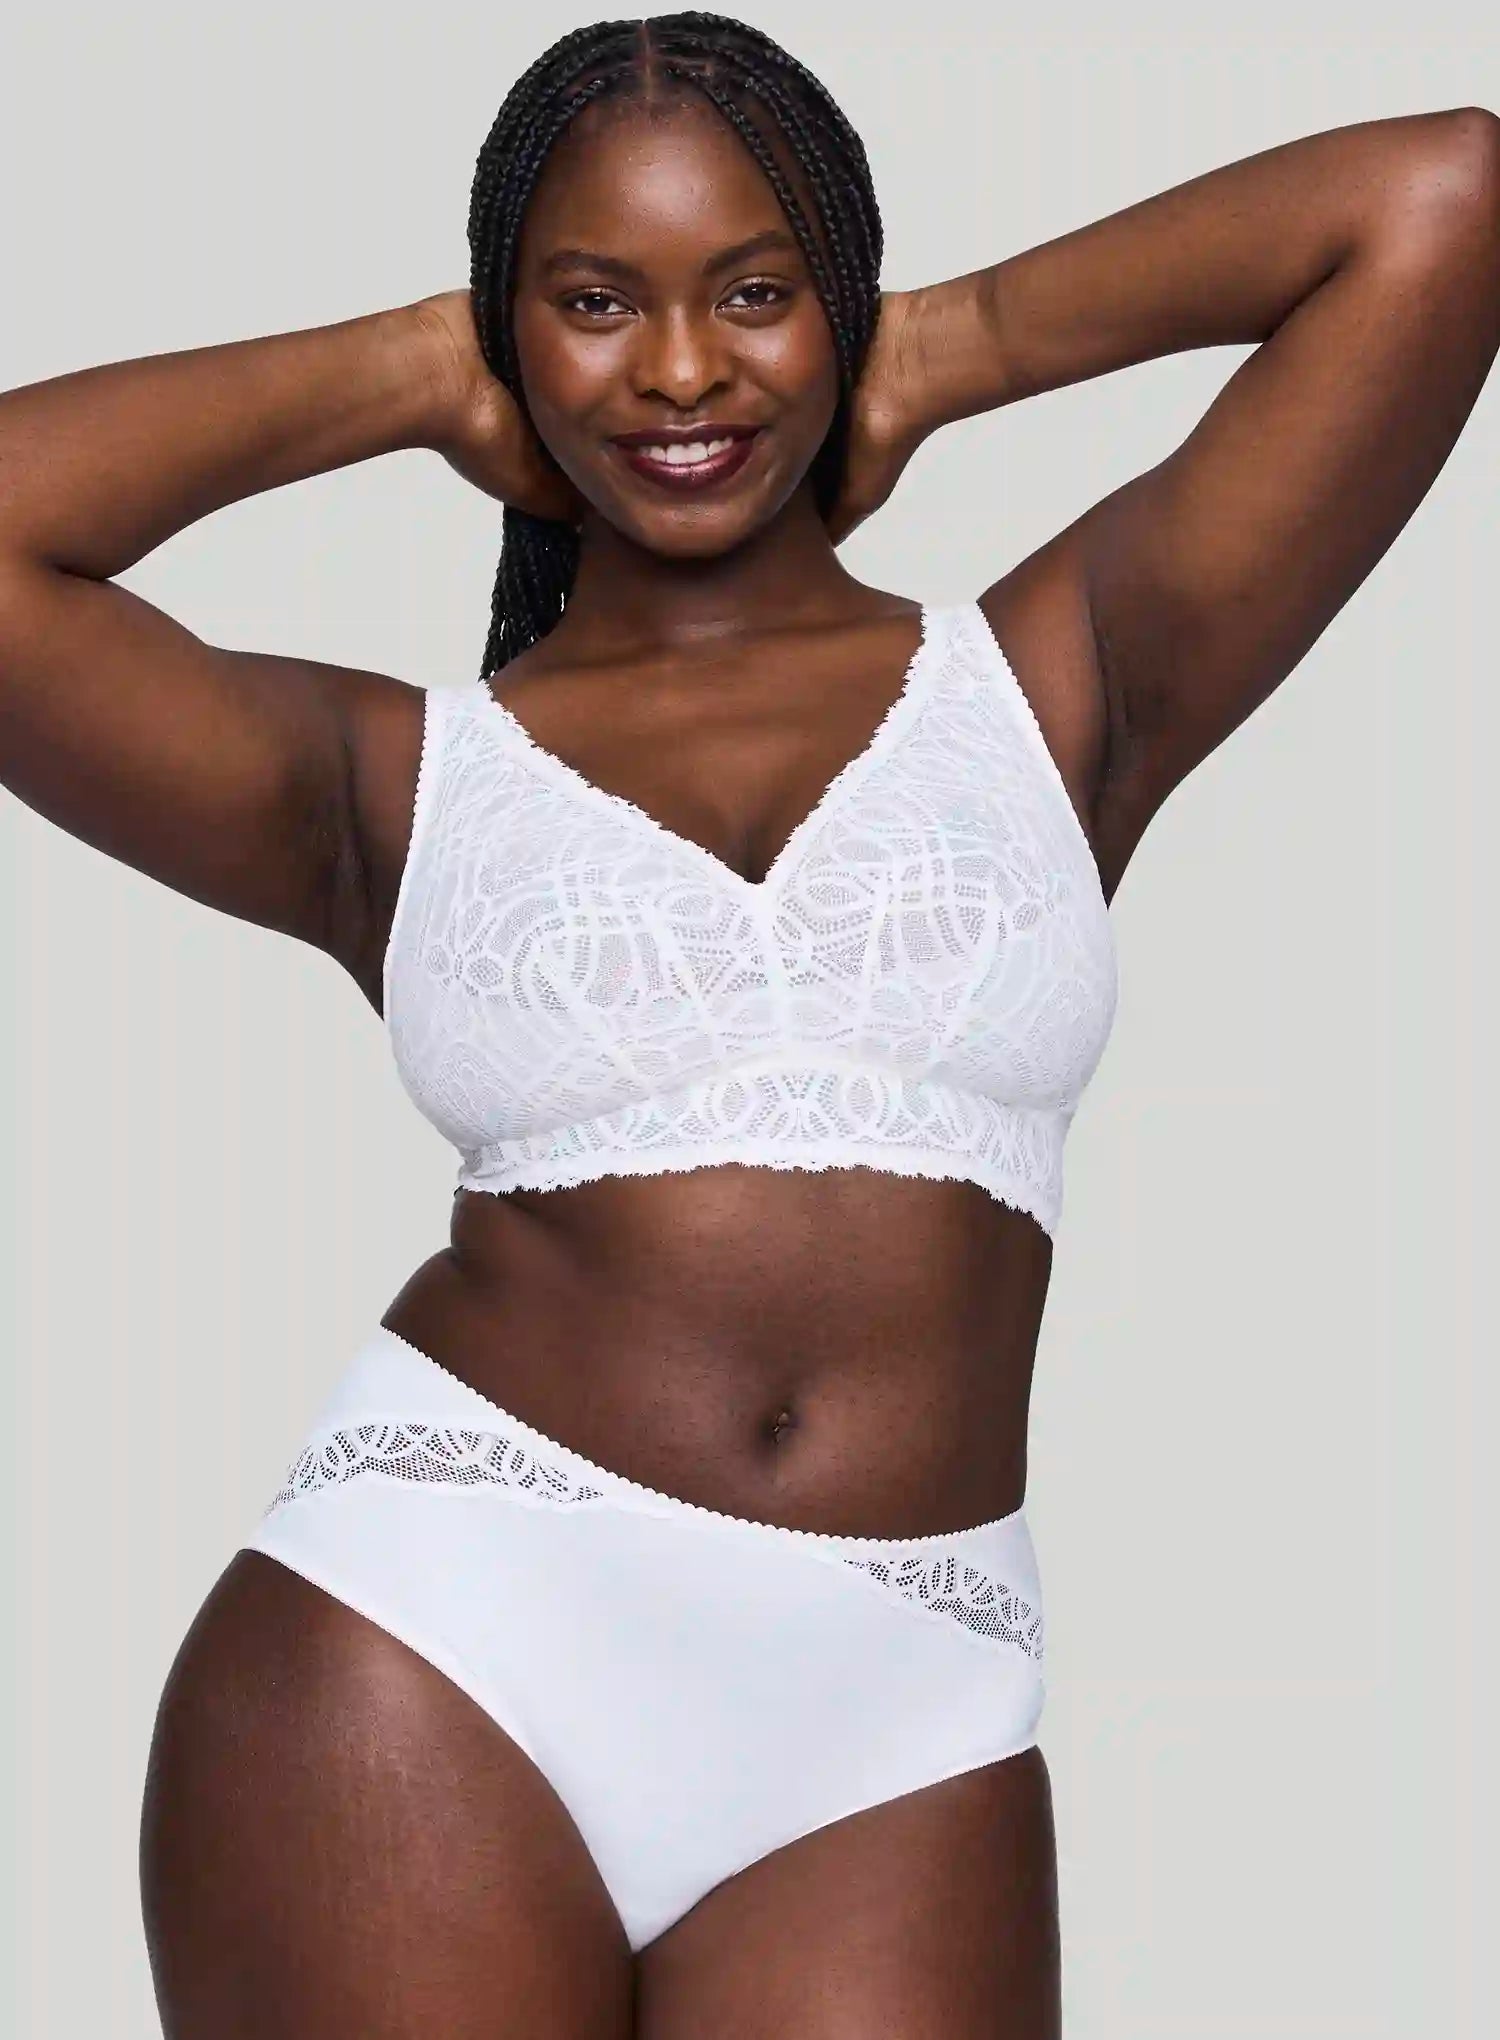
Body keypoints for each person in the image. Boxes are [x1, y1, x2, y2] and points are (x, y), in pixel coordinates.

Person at [2, 13, 1494, 2037]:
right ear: (515, 334)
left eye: (758, 293)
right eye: (594, 304)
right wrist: (411, 369)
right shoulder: (390, 784)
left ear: (838, 305)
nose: (684, 372)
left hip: (902, 1699)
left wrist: (951, 346)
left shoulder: (1063, 686)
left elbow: (1439, 199)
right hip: (439, 1640)